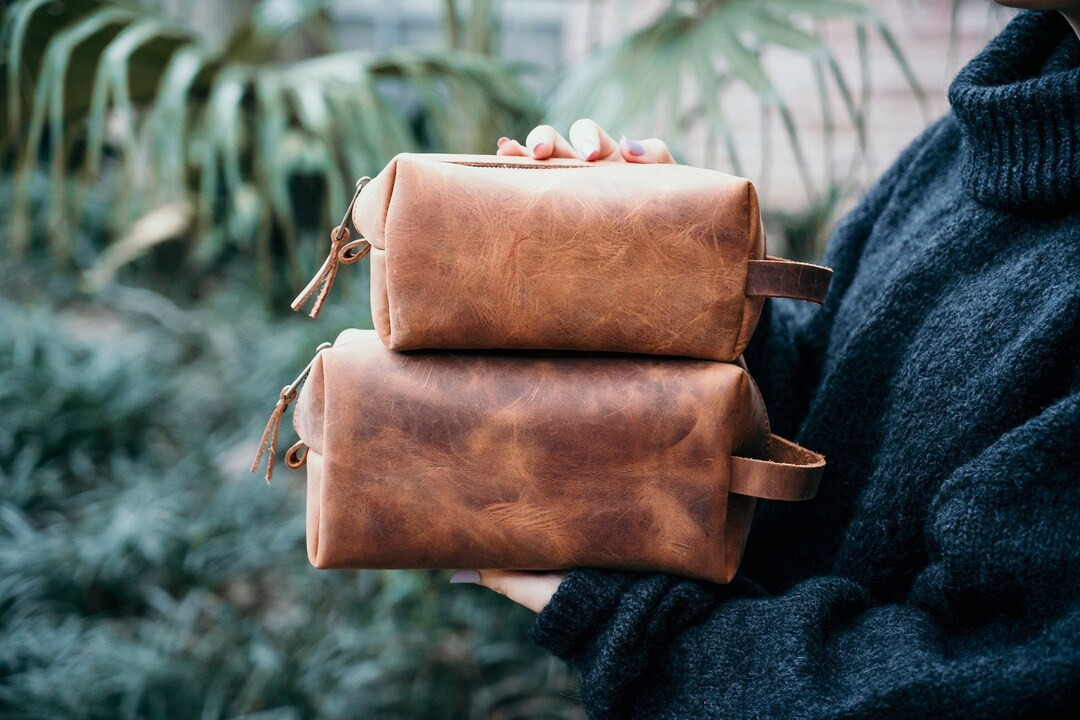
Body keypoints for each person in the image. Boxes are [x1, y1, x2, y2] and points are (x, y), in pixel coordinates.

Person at [446, 5, 1080, 718]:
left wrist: (639, 626)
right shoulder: (995, 122)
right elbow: (830, 417)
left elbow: (987, 681)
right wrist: (694, 302)